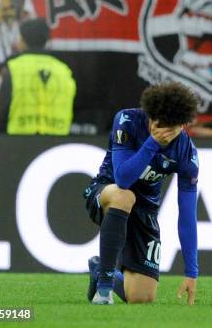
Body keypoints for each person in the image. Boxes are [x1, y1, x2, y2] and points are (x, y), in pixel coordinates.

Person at [84, 82, 200, 305]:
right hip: (106, 192)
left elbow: (187, 214)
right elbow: (123, 178)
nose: (161, 129)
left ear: (182, 125)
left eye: (170, 127)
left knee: (141, 297)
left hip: (145, 210)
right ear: (149, 113)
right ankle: (105, 290)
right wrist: (153, 143)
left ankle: (100, 269)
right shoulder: (127, 120)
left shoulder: (186, 153)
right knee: (124, 196)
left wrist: (191, 272)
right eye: (156, 122)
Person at [0, 18, 76, 135]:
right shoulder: (64, 71)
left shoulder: (13, 69)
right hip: (56, 144)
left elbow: (1, 115)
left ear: (22, 40)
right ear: (46, 41)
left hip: (18, 144)